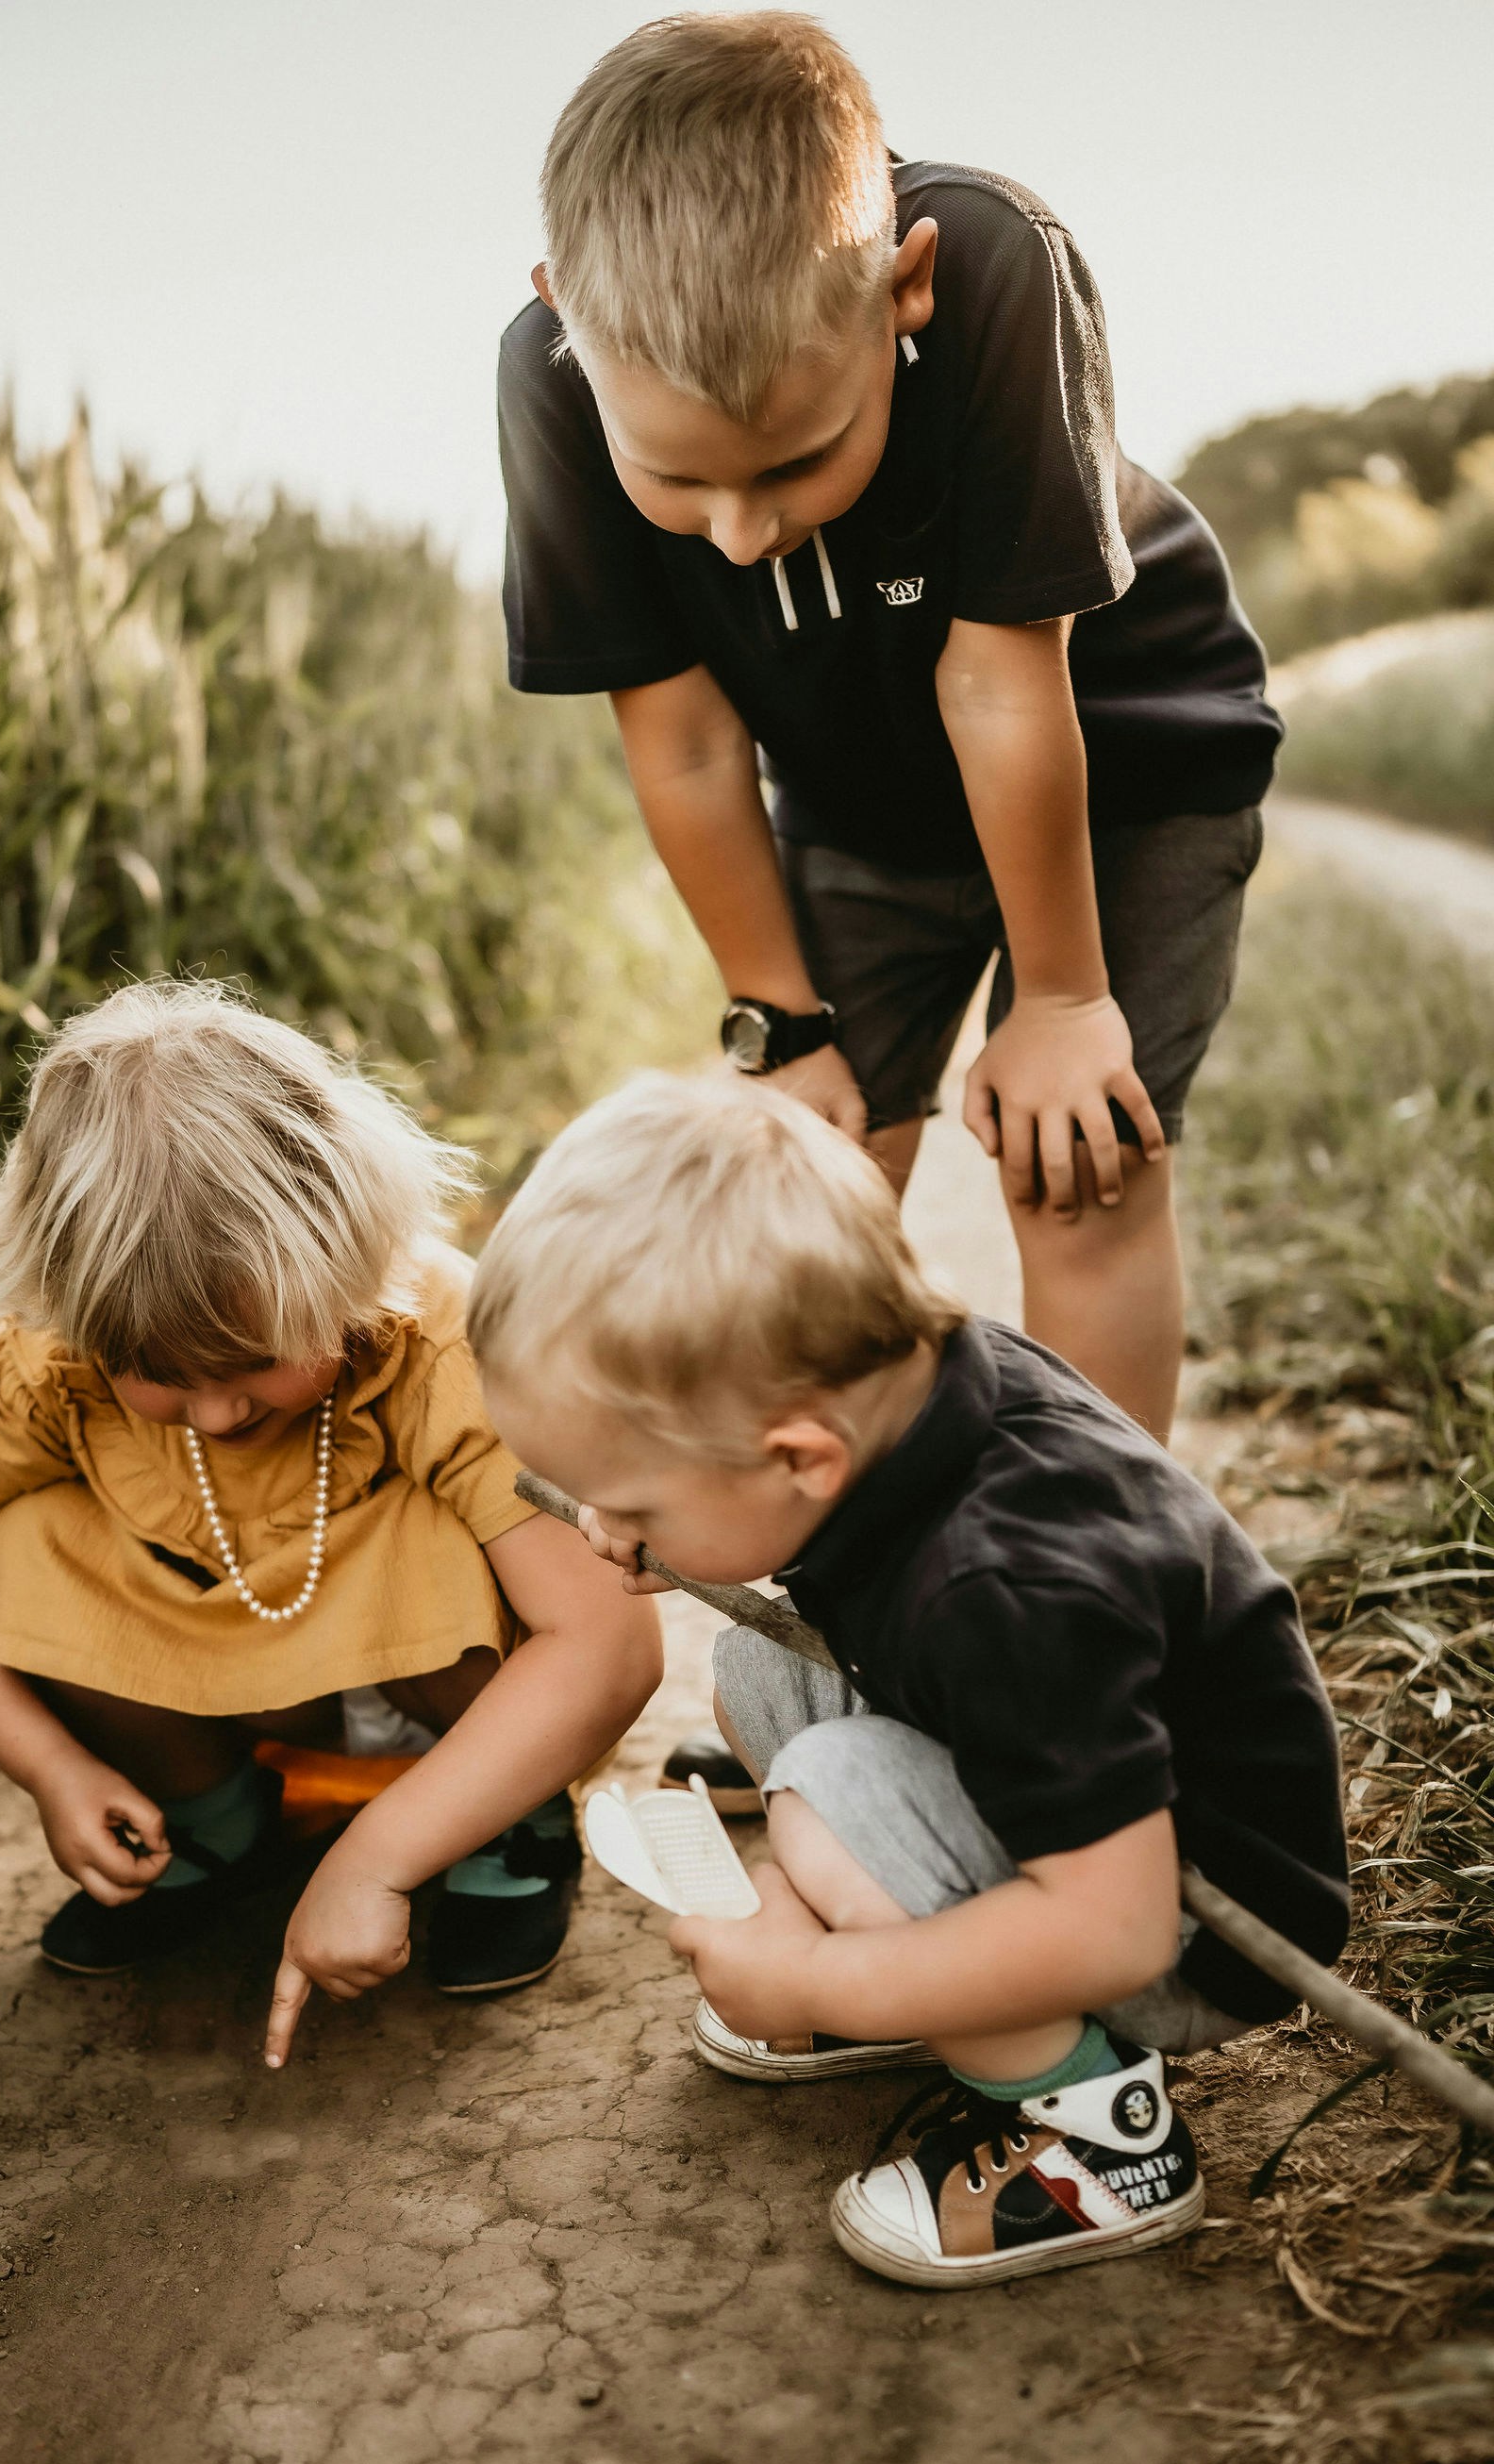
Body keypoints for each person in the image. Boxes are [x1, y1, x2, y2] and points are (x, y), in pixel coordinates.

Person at [499, 11, 1277, 1453]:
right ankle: (868, 1572)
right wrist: (783, 1020)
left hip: (1127, 764)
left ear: (900, 287)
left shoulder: (990, 258)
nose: (739, 533)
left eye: (795, 462)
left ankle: (1095, 1564)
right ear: (565, 322)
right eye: (679, 480)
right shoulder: (548, 382)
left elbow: (1000, 680)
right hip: (864, 806)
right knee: (816, 1168)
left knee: (1078, 1163)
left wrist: (1057, 1006)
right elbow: (680, 741)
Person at [468, 1074, 1348, 2288]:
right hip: (1075, 1808)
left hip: (1186, 1932)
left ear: (797, 1457)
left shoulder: (1008, 1592)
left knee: (829, 1787)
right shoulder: (913, 1398)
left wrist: (818, 1971)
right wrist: (687, 1526)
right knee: (756, 1671)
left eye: (634, 1504)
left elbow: (1114, 1923)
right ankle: (926, 1968)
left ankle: (1093, 2136)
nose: (606, 1531)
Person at [0, 982, 661, 2066]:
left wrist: (372, 1861)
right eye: (155, 1375)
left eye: (252, 1363)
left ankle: (499, 1820)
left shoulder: (443, 1347)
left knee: (466, 1535)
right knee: (15, 1540)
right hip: (238, 1675)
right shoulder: (40, 1365)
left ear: (345, 1259)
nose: (217, 1410)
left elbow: (609, 1647)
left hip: (443, 1697)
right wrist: (52, 1767)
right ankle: (214, 1817)